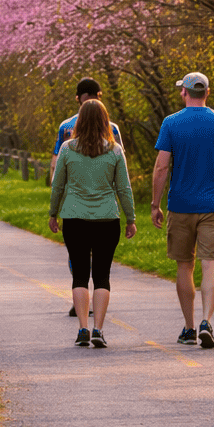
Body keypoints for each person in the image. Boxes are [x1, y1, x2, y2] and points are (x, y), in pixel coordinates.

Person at [150, 71, 214, 349]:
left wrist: (155, 204)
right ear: (208, 92)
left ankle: (189, 328)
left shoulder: (171, 123)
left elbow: (161, 167)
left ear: (184, 93)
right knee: (210, 263)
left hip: (180, 204)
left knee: (184, 265)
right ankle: (207, 321)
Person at [48, 99, 136, 347]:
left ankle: (83, 330)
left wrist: (53, 213)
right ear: (104, 121)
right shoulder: (115, 150)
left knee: (79, 275)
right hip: (107, 219)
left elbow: (58, 185)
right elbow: (124, 188)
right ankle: (99, 329)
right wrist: (131, 219)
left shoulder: (67, 149)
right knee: (102, 275)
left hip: (74, 218)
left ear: (80, 121)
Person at [52, 78, 122, 317]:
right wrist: (129, 214)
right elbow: (121, 171)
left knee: (79, 262)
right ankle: (97, 324)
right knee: (102, 271)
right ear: (99, 95)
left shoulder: (65, 128)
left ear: (77, 98)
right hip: (105, 210)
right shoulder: (112, 129)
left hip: (75, 207)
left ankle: (81, 308)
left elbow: (57, 167)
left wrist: (55, 204)